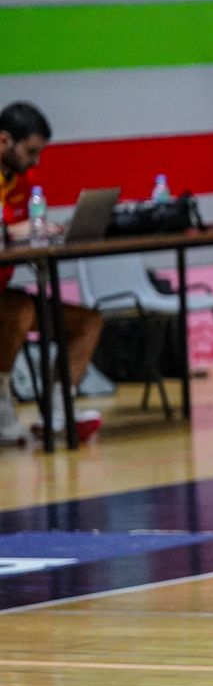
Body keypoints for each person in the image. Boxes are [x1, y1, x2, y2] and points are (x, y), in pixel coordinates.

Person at [0, 102, 104, 444]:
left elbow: (22, 228)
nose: (36, 162)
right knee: (19, 309)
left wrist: (46, 232)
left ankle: (59, 414)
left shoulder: (24, 182)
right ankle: (2, 406)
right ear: (4, 141)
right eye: (31, 152)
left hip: (5, 293)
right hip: (8, 305)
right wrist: (16, 231)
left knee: (87, 322)